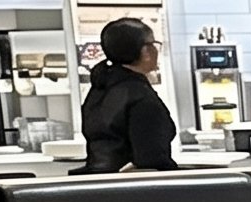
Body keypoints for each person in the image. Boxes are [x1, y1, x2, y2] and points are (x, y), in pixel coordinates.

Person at [75, 17, 178, 174]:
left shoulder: (100, 88)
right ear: (145, 52)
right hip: (132, 190)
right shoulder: (140, 96)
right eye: (153, 44)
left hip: (98, 183)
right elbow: (150, 159)